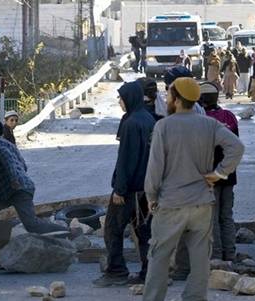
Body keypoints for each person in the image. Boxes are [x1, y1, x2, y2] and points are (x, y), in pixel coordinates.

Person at [143, 77, 244, 301]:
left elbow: (155, 169)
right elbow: (236, 147)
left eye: (169, 93)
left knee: (159, 257)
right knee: (200, 262)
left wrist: (151, 196)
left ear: (177, 99)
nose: (166, 97)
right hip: (201, 203)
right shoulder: (209, 123)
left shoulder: (163, 126)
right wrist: (219, 174)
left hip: (171, 204)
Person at [93, 81, 155, 287]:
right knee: (145, 232)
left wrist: (119, 189)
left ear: (129, 98)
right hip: (146, 189)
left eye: (121, 98)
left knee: (112, 229)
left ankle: (116, 270)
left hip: (128, 190)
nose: (119, 102)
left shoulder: (130, 123)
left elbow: (126, 159)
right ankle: (149, 271)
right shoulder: (148, 118)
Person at [0, 119, 68, 234]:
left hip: (18, 190)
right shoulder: (8, 143)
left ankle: (67, 231)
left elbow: (9, 162)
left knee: (32, 225)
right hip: (10, 191)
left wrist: (14, 180)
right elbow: (23, 165)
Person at [199, 82, 239, 262]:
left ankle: (216, 257)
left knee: (212, 218)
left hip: (210, 176)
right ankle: (230, 254)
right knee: (227, 216)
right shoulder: (229, 116)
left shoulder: (202, 120)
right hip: (229, 175)